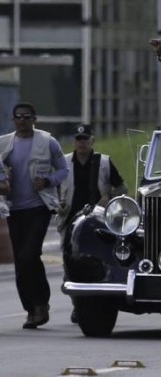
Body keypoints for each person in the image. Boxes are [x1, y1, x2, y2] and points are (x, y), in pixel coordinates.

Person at [0, 102, 69, 329]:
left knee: (30, 254)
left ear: (34, 119)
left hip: (39, 207)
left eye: (27, 116)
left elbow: (63, 170)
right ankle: (31, 309)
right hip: (14, 208)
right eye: (18, 117)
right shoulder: (4, 143)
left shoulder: (47, 141)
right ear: (13, 120)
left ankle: (42, 303)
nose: (22, 120)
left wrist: (48, 181)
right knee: (21, 261)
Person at [57, 123, 128, 324]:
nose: (82, 143)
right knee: (70, 265)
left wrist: (109, 196)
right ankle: (77, 305)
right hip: (70, 220)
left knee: (91, 263)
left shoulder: (103, 162)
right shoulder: (64, 162)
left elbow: (122, 187)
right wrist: (58, 202)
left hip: (96, 220)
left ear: (92, 140)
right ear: (74, 142)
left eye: (85, 139)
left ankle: (85, 307)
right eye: (79, 139)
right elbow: (55, 185)